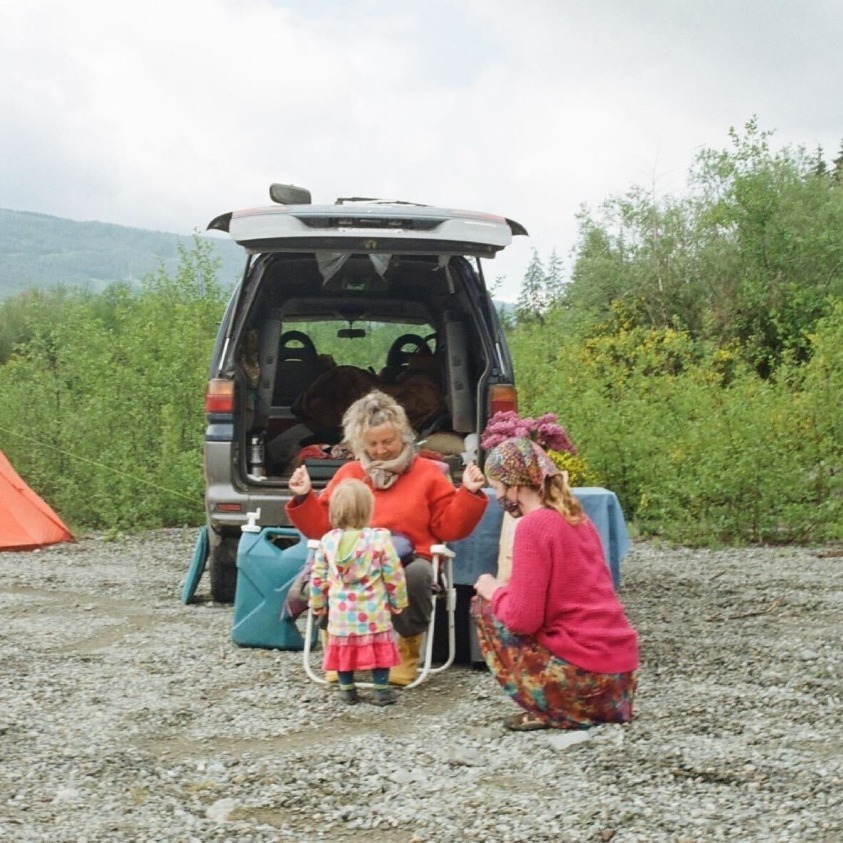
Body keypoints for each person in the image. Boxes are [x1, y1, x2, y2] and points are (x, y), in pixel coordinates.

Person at [288, 389, 488, 685]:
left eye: (388, 442)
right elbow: (324, 529)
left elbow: (450, 528)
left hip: (409, 559)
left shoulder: (427, 473)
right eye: (372, 444)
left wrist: (468, 494)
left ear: (404, 436)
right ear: (359, 442)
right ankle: (338, 652)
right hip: (354, 561)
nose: (381, 450)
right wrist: (305, 496)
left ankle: (406, 653)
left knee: (419, 574)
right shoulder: (349, 473)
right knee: (325, 572)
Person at [472, 437, 639, 732]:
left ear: (515, 486)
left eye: (498, 487)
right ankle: (572, 707)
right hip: (620, 683)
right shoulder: (578, 518)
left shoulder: (532, 525)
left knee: (485, 604)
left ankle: (550, 708)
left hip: (583, 681)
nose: (498, 497)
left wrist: (492, 589)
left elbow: (522, 620)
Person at [309, 478, 408, 706]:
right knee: (379, 649)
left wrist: (317, 603)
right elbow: (394, 573)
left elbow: (318, 576)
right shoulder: (378, 539)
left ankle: (347, 690)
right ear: (367, 510)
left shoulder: (328, 541)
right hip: (373, 611)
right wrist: (398, 600)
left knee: (343, 651)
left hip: (341, 614)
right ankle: (381, 690)